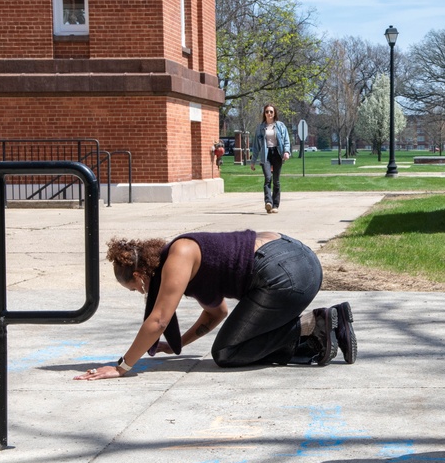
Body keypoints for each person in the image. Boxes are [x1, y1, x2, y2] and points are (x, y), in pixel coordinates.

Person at [74, 230, 357, 381]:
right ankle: (327, 327)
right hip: (301, 261)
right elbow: (216, 312)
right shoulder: (190, 261)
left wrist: (122, 367)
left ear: (139, 276)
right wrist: (175, 345)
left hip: (283, 275)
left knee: (226, 352)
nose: (141, 293)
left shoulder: (180, 253)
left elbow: (159, 320)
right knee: (236, 341)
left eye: (136, 289)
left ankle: (316, 325)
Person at [250, 104, 291, 214]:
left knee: (276, 181)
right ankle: (268, 202)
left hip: (277, 153)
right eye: (267, 111)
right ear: (264, 113)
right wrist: (253, 162)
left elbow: (286, 140)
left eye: (271, 112)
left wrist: (286, 152)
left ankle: (275, 205)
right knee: (268, 178)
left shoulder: (280, 126)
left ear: (274, 113)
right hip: (265, 155)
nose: (269, 113)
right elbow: (256, 146)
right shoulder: (260, 128)